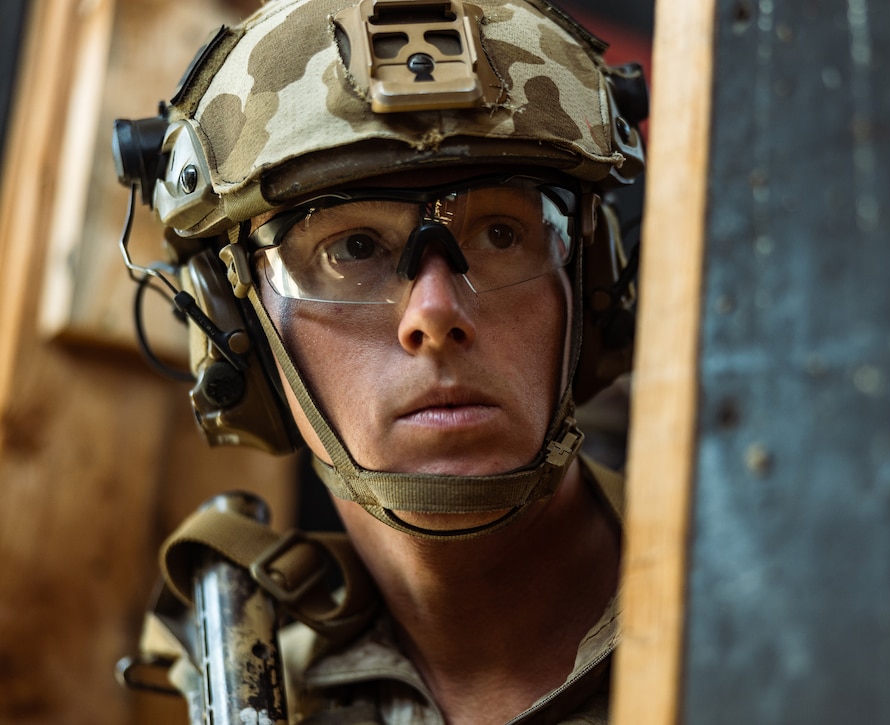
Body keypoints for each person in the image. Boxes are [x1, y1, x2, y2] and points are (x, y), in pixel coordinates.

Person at [112, 0, 646, 722]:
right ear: (236, 329)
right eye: (352, 248)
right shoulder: (268, 686)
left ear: (592, 286)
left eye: (499, 233)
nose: (434, 314)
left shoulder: (762, 597)